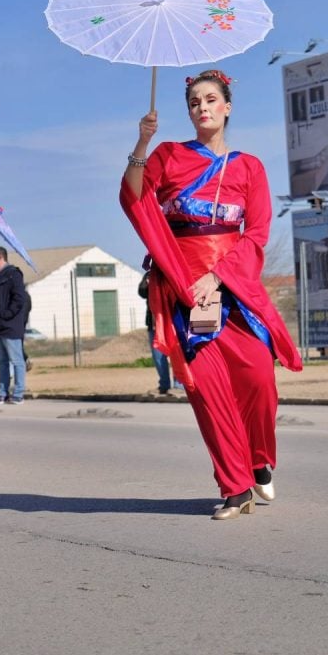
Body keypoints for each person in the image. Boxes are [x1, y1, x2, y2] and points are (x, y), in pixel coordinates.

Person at [119, 69, 303, 520]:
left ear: (227, 106)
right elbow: (133, 196)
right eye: (194, 102)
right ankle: (235, 487)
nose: (202, 107)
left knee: (259, 376)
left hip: (233, 287)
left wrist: (219, 277)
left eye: (210, 99)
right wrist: (142, 144)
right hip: (183, 287)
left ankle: (258, 458)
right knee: (207, 389)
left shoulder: (249, 167)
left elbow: (256, 234)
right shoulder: (168, 154)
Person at [0, 246, 28, 404]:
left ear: (0, 257)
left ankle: (18, 393)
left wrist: (7, 315)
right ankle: (3, 392)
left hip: (10, 326)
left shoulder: (13, 274)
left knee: (16, 360)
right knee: (1, 362)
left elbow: (19, 299)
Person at [137, 268, 173, 395]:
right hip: (154, 324)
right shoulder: (149, 274)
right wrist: (147, 284)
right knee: (158, 356)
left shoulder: (172, 270)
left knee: (177, 355)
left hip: (172, 322)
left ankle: (179, 386)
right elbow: (141, 292)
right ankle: (164, 385)